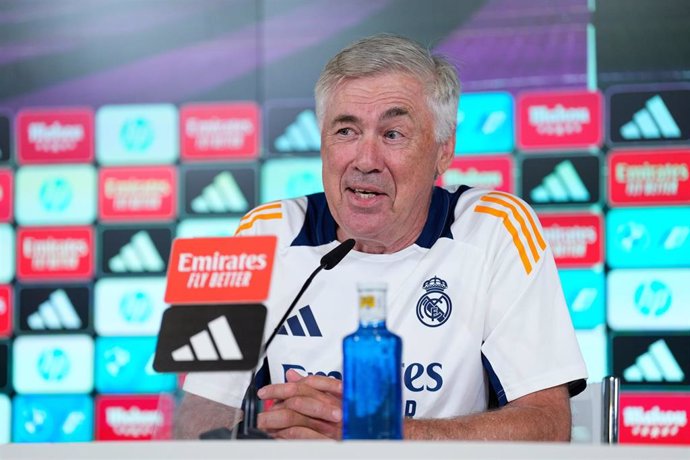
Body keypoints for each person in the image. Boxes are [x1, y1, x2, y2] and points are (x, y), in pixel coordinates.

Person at [177, 34, 587, 441]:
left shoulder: (497, 228)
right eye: (346, 132)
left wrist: (381, 435)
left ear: (443, 151)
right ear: (322, 142)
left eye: (393, 134)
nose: (366, 161)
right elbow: (196, 421)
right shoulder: (258, 234)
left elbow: (548, 427)